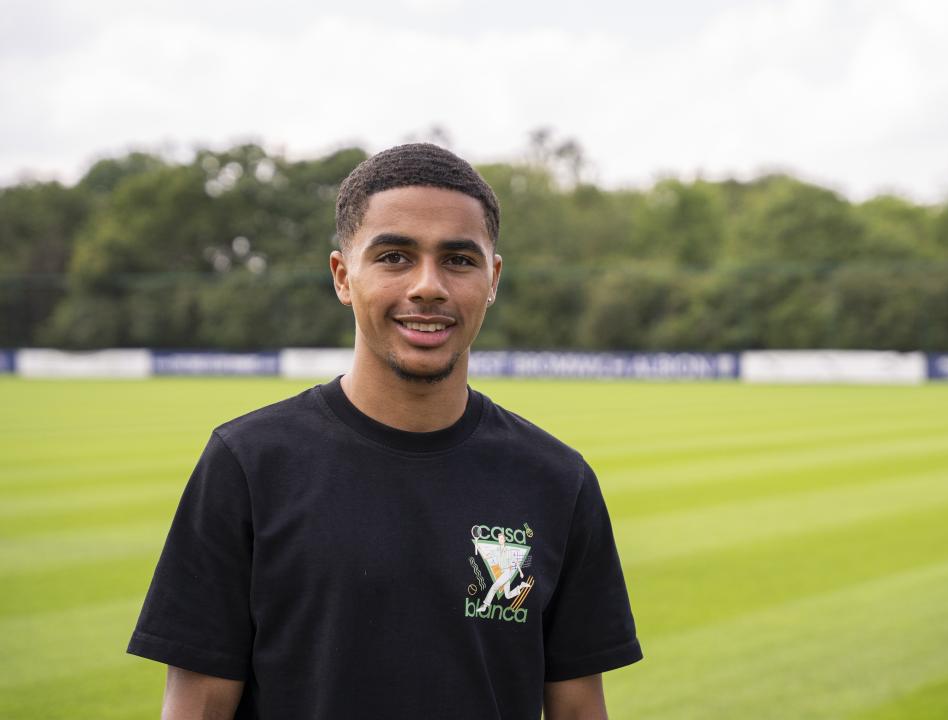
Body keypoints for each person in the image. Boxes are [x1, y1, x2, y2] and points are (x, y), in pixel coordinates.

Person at [127, 143, 642, 719]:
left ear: (492, 279)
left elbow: (577, 710)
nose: (428, 286)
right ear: (343, 276)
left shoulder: (556, 481)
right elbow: (197, 708)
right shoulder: (247, 463)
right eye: (395, 257)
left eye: (459, 260)